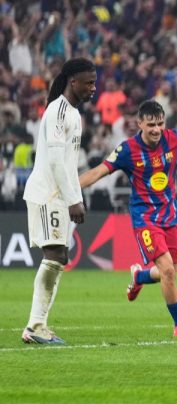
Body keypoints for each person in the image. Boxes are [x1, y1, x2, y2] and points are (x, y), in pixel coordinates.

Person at [79, 100, 177, 337]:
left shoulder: (174, 139)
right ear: (140, 124)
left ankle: (140, 276)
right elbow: (98, 171)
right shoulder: (127, 150)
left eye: (160, 124)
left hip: (170, 216)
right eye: (151, 125)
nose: (156, 129)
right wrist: (70, 190)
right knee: (167, 269)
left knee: (171, 271)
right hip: (145, 218)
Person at [21, 58, 96, 345]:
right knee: (54, 255)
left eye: (94, 82)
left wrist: (73, 197)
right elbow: (55, 162)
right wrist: (73, 199)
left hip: (59, 196)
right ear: (72, 81)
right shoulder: (58, 111)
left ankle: (39, 325)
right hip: (48, 194)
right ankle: (35, 326)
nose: (93, 88)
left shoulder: (74, 114)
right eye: (88, 82)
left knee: (59, 257)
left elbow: (68, 162)